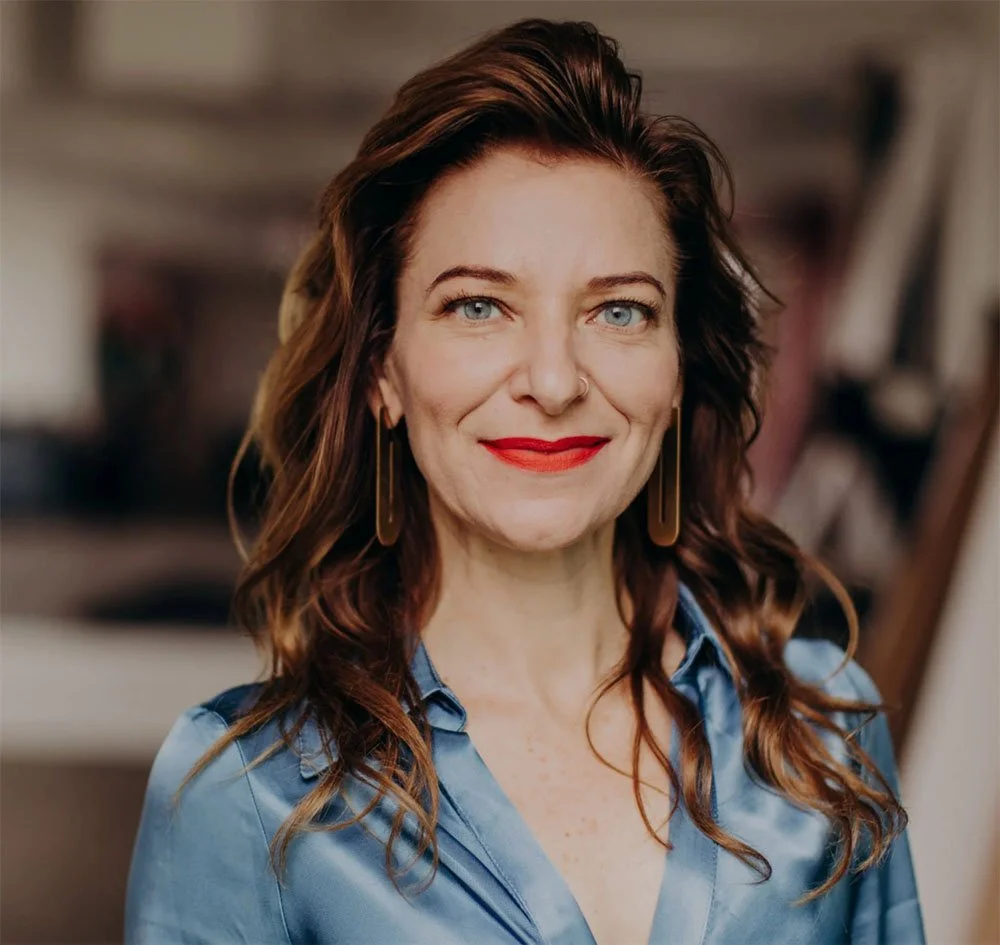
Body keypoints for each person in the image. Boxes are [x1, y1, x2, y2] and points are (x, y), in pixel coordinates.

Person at [124, 18, 926, 945]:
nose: (552, 381)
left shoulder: (820, 730)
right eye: (478, 305)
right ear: (383, 369)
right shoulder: (246, 792)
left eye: (618, 310)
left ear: (676, 374)